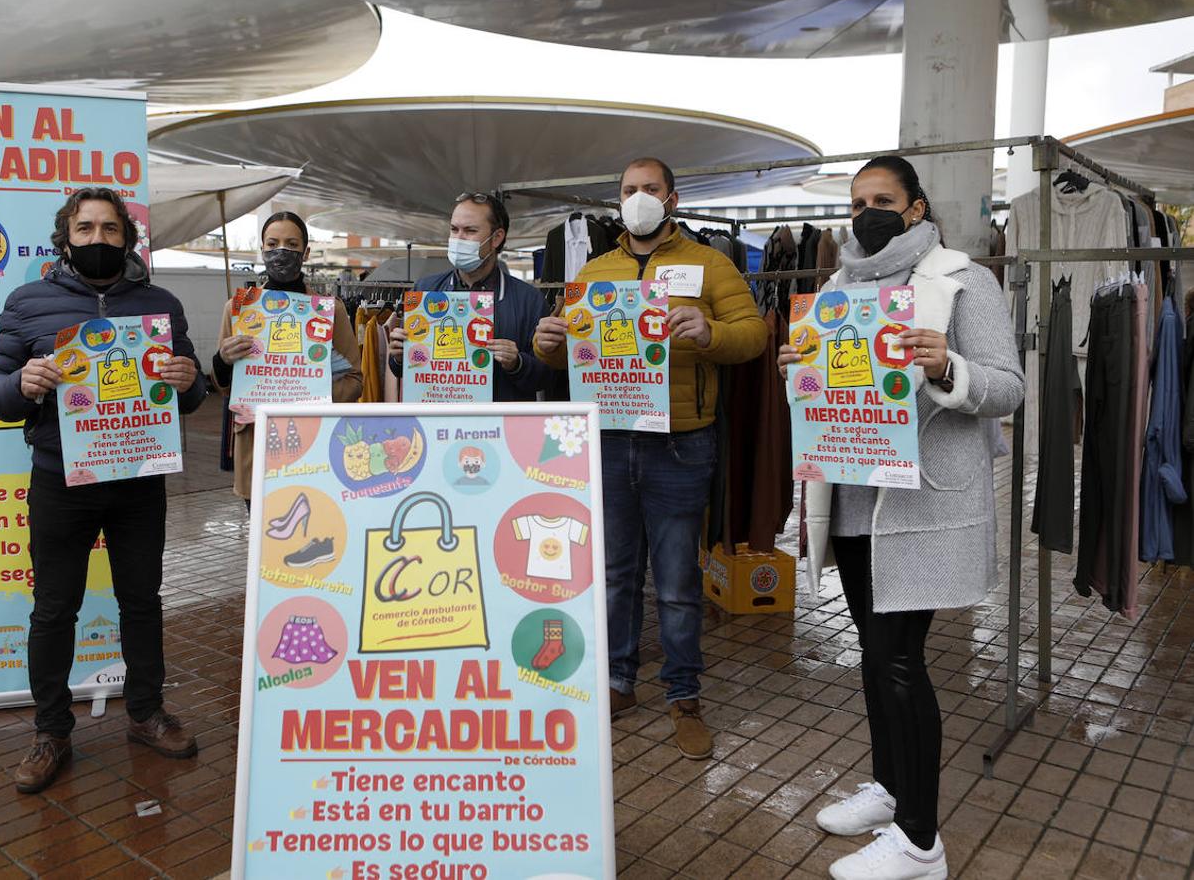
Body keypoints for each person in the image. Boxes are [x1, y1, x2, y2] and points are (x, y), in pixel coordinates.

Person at [778, 156, 1023, 879]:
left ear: (916, 209)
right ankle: (889, 790)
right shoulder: (835, 286)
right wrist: (798, 363)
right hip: (852, 497)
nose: (867, 213)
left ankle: (920, 843)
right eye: (857, 202)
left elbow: (1008, 388)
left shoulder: (961, 279)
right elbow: (823, 387)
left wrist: (948, 367)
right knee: (874, 657)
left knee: (900, 662)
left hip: (919, 503)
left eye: (882, 199)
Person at [534, 157, 768, 760]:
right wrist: (549, 345)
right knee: (612, 575)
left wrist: (710, 330)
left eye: (650, 189)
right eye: (629, 190)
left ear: (672, 196)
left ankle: (684, 696)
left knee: (677, 583)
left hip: (680, 443)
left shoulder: (710, 264)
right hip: (608, 437)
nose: (639, 198)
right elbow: (573, 353)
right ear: (618, 201)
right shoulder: (595, 270)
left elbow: (753, 335)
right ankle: (618, 681)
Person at [0, 187, 208, 794]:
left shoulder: (161, 303)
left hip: (137, 477)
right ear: (66, 238)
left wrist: (188, 380)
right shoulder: (27, 302)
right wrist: (23, 381)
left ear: (128, 240)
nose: (99, 239)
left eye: (111, 229)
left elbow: (190, 392)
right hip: (60, 479)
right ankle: (51, 730)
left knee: (143, 601)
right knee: (55, 608)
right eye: (86, 229)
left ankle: (144, 713)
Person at [212, 212, 363, 505]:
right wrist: (222, 360)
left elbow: (355, 380)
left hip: (314, 445)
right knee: (262, 543)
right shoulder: (238, 308)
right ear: (262, 249)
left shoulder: (331, 310)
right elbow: (225, 386)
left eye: (291, 243)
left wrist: (309, 395)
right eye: (273, 243)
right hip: (257, 444)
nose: (281, 251)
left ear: (305, 252)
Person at [387, 192, 553, 401]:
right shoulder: (425, 290)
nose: (458, 239)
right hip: (439, 425)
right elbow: (406, 371)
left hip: (499, 428)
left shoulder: (529, 299)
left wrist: (517, 363)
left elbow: (547, 377)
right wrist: (399, 357)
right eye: (454, 229)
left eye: (470, 231)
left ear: (497, 238)